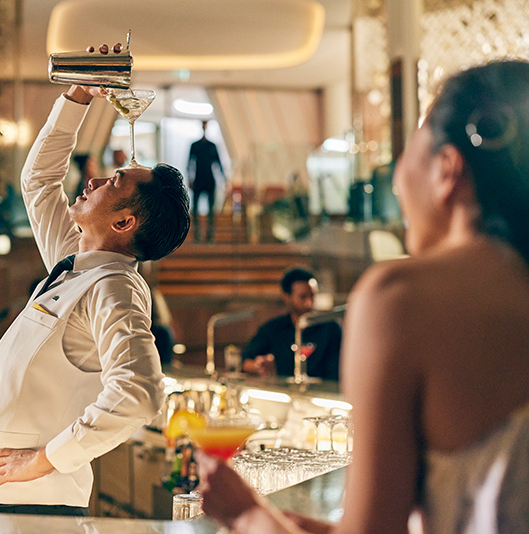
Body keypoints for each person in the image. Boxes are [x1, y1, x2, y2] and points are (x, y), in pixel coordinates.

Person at [197, 60, 529, 533]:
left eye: (405, 155)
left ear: (447, 170)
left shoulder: (401, 298)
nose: (395, 182)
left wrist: (247, 515)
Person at [0, 84, 191, 516]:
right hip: (3, 499)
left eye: (114, 183)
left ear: (123, 221)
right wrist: (79, 97)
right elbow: (39, 182)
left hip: (37, 505)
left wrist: (44, 460)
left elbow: (139, 391)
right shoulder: (77, 263)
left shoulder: (113, 286)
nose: (95, 179)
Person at [241, 267, 341, 381]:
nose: (309, 303)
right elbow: (245, 361)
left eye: (312, 296)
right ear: (287, 297)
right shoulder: (273, 328)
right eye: (303, 297)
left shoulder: (331, 328)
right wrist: (259, 366)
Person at [188, 120, 225, 242]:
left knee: (211, 209)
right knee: (196, 208)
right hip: (199, 179)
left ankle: (209, 235)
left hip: (209, 179)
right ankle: (197, 234)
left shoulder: (211, 146)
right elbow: (190, 163)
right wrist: (190, 178)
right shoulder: (196, 145)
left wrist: (223, 179)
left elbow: (218, 163)